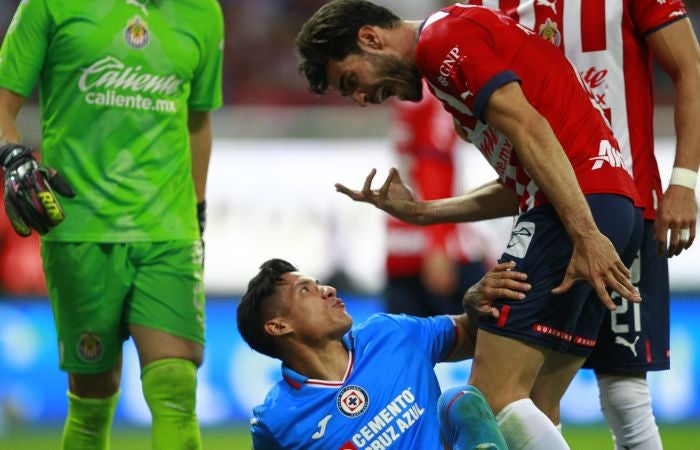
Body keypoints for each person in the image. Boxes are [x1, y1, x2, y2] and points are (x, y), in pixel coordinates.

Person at [295, 1, 644, 448]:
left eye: (351, 81)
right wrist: (423, 212)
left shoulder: (443, 42)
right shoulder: (455, 42)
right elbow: (520, 179)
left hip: (571, 215)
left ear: (370, 38)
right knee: (535, 404)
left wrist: (586, 234)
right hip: (609, 202)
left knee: (486, 400)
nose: (363, 97)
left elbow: (528, 126)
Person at [444, 1, 700, 448]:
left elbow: (689, 66)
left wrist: (684, 180)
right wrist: (427, 211)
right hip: (550, 214)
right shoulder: (481, 12)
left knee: (623, 391)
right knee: (537, 391)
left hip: (629, 204)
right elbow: (520, 146)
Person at [0, 1, 223, 449]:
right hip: (79, 229)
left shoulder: (203, 11)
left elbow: (198, 121)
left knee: (177, 390)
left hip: (170, 230)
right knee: (92, 401)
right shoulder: (49, 5)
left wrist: (196, 214)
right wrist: (12, 157)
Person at [237, 258, 529, 450]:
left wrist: (474, 305)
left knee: (462, 402)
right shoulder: (275, 422)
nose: (328, 289)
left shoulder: (388, 334)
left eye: (319, 284)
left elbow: (467, 335)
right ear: (278, 326)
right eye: (305, 290)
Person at [385, 80, 490, 317]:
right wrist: (438, 244)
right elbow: (433, 163)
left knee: (406, 342)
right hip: (437, 244)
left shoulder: (406, 89)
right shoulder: (432, 90)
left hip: (403, 240)